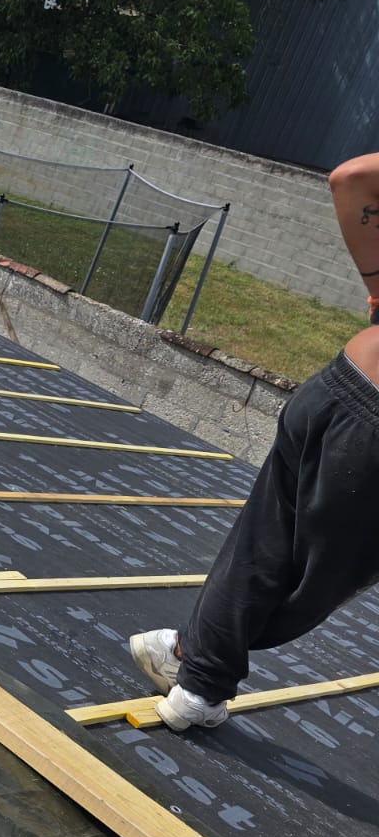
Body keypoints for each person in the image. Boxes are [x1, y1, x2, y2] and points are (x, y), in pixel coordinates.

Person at [129, 151, 379, 730]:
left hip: (339, 387)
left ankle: (191, 666)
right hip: (367, 447)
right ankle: (194, 673)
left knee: (263, 546)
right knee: (314, 586)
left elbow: (349, 178)